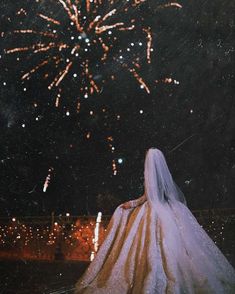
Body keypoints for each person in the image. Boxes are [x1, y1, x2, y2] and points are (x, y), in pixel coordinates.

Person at [75, 148, 235, 293]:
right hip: (169, 209)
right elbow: (164, 194)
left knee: (148, 245)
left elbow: (147, 197)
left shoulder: (150, 176)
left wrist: (130, 204)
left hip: (152, 210)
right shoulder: (165, 181)